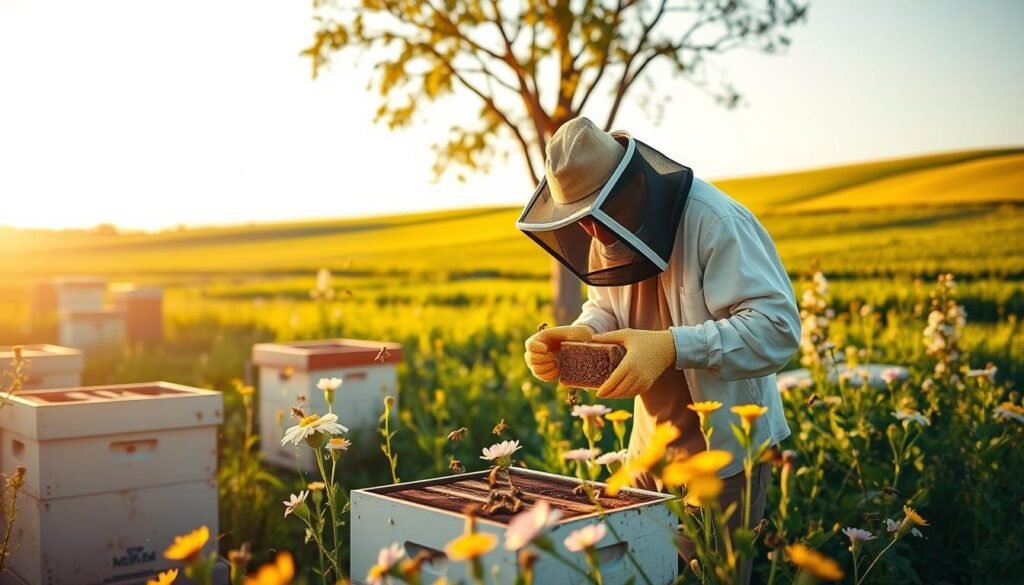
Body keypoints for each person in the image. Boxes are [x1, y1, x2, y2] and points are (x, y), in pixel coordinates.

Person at [517, 116, 799, 584]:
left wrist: (671, 347)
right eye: (580, 218)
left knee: (710, 577)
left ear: (635, 182)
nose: (591, 230)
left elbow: (777, 330)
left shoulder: (716, 221)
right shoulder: (600, 230)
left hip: (728, 453)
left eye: (597, 212)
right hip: (648, 452)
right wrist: (584, 334)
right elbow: (604, 304)